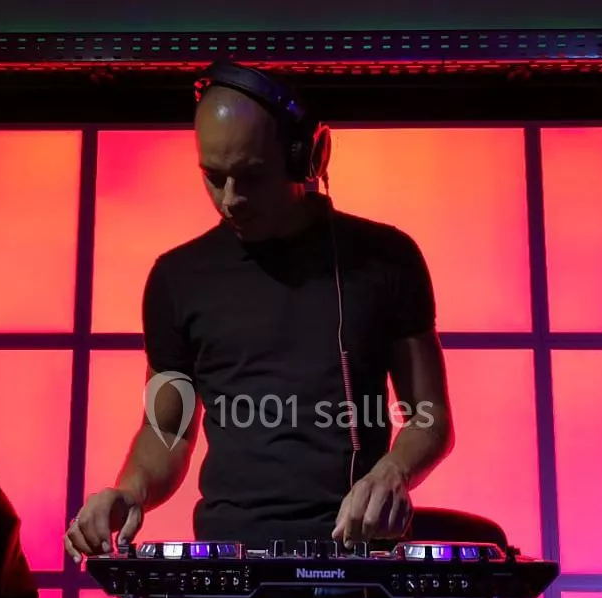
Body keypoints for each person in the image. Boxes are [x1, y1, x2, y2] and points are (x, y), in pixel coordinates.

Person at [64, 61, 453, 560]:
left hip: (354, 557)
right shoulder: (176, 279)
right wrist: (129, 491)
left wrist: (393, 470)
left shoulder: (386, 258)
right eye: (213, 177)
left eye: (250, 176)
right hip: (228, 557)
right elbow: (168, 429)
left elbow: (429, 417)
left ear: (305, 157)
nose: (230, 200)